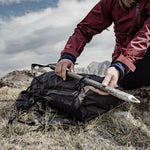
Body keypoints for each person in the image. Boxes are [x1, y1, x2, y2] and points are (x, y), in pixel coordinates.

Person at [55, 0, 150, 95]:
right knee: (110, 89)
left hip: (133, 61)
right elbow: (84, 29)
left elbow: (145, 36)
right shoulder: (111, 2)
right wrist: (68, 55)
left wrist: (121, 65)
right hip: (124, 64)